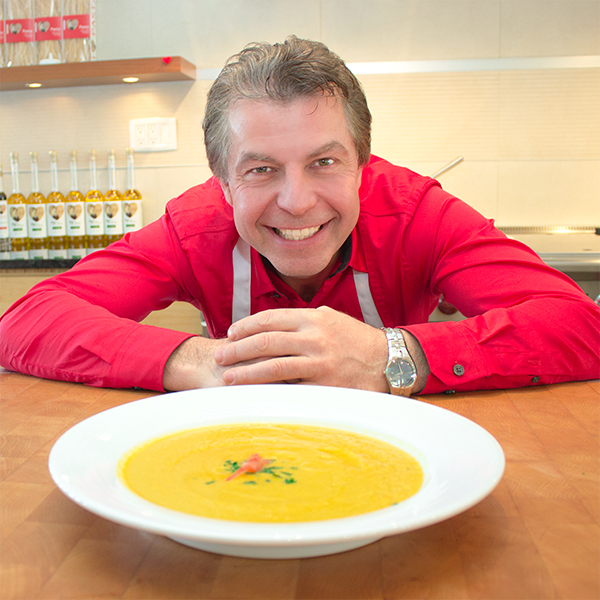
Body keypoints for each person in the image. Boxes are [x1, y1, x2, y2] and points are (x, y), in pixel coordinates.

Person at [0, 36, 598, 396]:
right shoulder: (194, 228)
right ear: (222, 181)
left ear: (362, 161)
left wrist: (392, 355)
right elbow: (26, 322)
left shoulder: (419, 214)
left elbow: (579, 325)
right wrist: (199, 362)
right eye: (260, 169)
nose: (296, 201)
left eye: (324, 161)